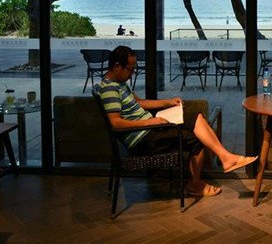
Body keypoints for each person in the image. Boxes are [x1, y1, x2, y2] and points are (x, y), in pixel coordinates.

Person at [96, 46, 257, 197]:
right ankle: (196, 185)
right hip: (142, 139)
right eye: (130, 69)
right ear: (117, 66)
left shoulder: (119, 84)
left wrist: (168, 102)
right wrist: (149, 123)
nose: (132, 73)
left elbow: (140, 103)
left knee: (195, 116)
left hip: (149, 129)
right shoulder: (109, 89)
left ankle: (225, 157)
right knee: (195, 139)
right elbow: (115, 123)